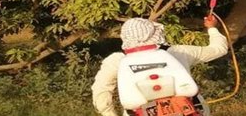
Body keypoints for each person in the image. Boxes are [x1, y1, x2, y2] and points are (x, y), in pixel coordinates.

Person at [91, 16, 228, 116]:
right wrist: (212, 29)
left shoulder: (116, 60)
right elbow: (219, 49)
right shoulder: (178, 52)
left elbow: (100, 91)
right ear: (155, 33)